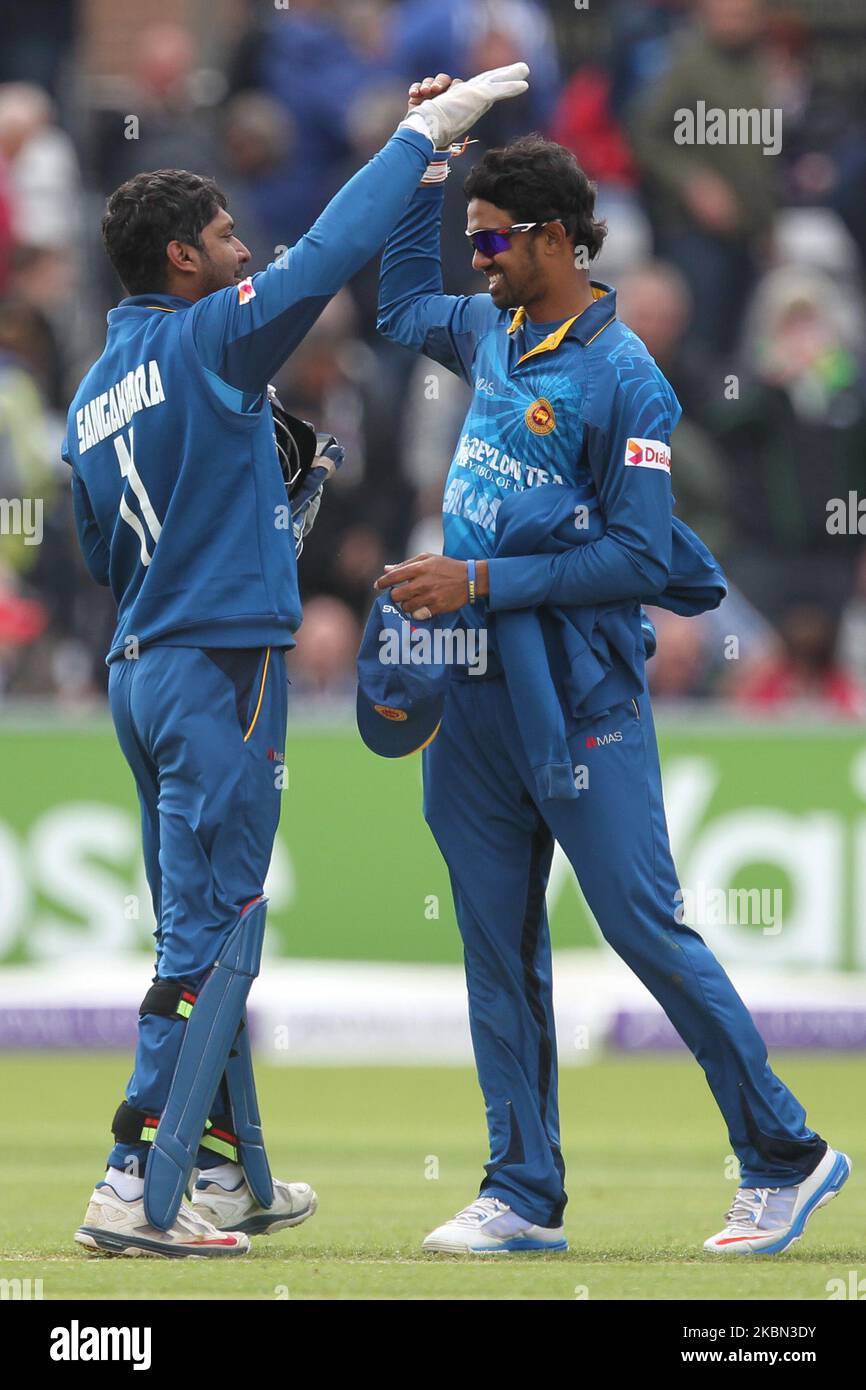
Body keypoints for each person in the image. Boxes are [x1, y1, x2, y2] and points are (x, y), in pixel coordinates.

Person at [374, 79, 850, 1256]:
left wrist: (474, 581)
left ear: (551, 238)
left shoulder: (625, 377)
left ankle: (783, 1156)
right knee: (496, 942)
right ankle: (520, 1189)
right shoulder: (487, 327)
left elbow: (640, 553)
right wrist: (427, 162)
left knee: (642, 927)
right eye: (471, 238)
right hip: (473, 693)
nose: (475, 257)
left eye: (491, 238)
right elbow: (392, 302)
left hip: (580, 698)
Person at [64, 63, 530, 1258]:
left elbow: (100, 552)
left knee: (196, 920)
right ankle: (134, 1177)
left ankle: (227, 1175)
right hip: (224, 664)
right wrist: (422, 139)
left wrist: (243, 526)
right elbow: (326, 256)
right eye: (222, 236)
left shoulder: (91, 396)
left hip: (141, 667)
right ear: (180, 259)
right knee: (215, 932)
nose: (238, 249)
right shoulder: (219, 335)